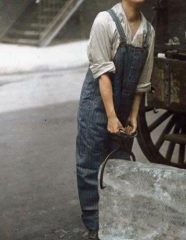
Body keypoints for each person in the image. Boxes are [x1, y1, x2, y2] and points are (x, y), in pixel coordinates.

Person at [75, 0, 154, 239]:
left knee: (120, 166)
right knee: (89, 165)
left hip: (124, 105)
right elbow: (103, 75)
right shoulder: (104, 21)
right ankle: (94, 226)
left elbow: (142, 82)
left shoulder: (148, 32)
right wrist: (111, 115)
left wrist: (132, 116)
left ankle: (116, 221)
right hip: (97, 104)